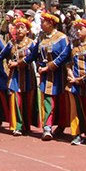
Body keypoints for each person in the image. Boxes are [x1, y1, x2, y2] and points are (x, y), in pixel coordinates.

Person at [30, 10, 71, 141]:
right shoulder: (42, 38)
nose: (41, 24)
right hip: (45, 75)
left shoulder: (62, 38)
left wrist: (51, 66)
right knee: (48, 99)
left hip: (59, 73)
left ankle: (62, 125)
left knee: (61, 100)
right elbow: (34, 53)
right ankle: (47, 127)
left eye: (43, 22)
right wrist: (23, 61)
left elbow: (65, 55)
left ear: (51, 23)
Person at [3, 18, 37, 137]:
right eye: (17, 27)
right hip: (15, 76)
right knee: (16, 100)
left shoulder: (32, 44)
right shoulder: (11, 43)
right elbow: (2, 55)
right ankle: (17, 126)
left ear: (27, 30)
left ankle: (26, 125)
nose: (19, 30)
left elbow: (34, 57)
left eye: (22, 27)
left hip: (28, 75)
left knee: (28, 100)